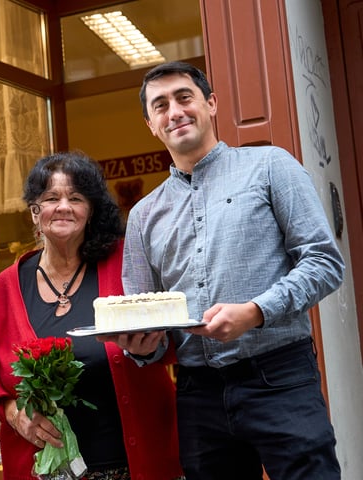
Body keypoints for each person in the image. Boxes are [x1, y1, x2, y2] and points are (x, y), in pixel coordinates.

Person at [109, 61, 345, 479]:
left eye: (185, 97)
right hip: (198, 393)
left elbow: (324, 262)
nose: (175, 111)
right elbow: (146, 314)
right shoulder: (144, 215)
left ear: (211, 103)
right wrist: (141, 348)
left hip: (280, 377)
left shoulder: (271, 166)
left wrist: (255, 311)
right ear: (151, 124)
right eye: (160, 106)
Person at [0, 152, 183, 480]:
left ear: (91, 210)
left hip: (137, 465)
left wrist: (150, 349)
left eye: (76, 197)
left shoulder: (127, 260)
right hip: (46, 471)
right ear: (34, 211)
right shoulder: (5, 287)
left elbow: (173, 340)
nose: (63, 206)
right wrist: (12, 413)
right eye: (51, 197)